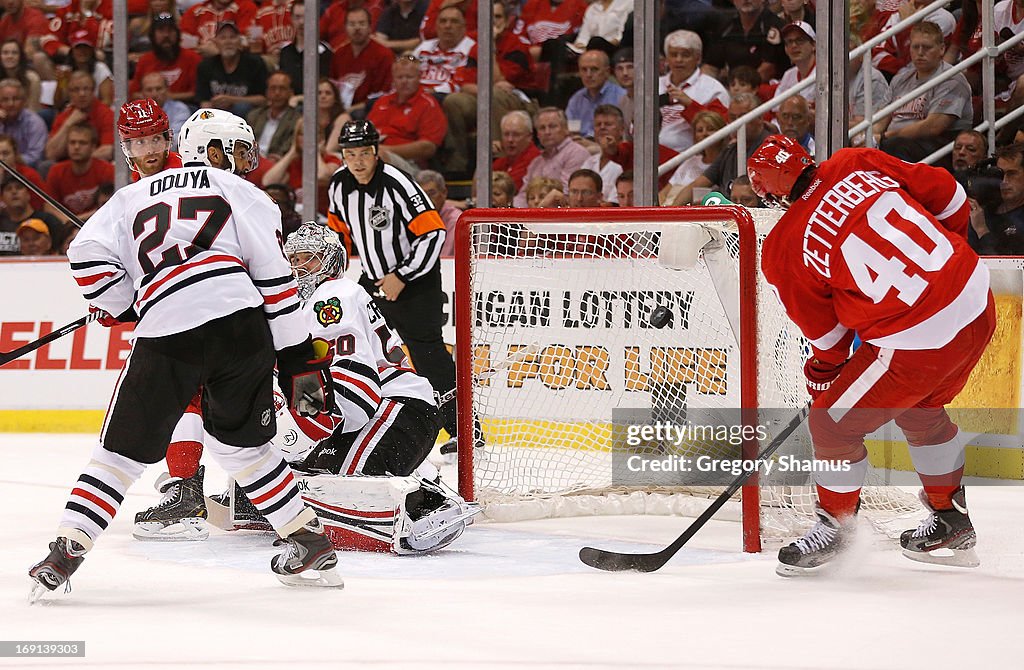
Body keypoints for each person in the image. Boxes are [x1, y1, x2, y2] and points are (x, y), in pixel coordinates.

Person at [28, 108, 342, 600]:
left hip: (169, 330)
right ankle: (307, 538)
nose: (149, 150)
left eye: (155, 139)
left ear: (172, 139)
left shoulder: (125, 199)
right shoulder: (237, 189)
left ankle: (68, 547)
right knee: (244, 450)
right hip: (241, 323)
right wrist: (299, 358)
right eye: (138, 143)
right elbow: (276, 282)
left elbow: (83, 256)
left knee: (118, 455)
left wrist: (125, 301)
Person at [746, 135, 995, 576]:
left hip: (920, 340)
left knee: (830, 423)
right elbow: (952, 196)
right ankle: (951, 521)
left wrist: (822, 374)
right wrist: (944, 270)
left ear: (768, 191)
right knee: (922, 408)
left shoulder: (785, 244)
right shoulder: (855, 160)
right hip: (977, 299)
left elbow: (828, 339)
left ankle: (836, 527)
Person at [268, 221, 477, 553]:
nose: (297, 268)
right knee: (311, 474)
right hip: (383, 414)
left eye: (307, 259)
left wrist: (309, 429)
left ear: (331, 262)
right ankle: (421, 480)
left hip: (397, 409)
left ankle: (426, 504)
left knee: (333, 484)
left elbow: (356, 385)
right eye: (292, 260)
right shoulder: (304, 307)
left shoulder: (333, 294)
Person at [326, 120, 466, 445]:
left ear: (376, 152)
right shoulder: (338, 185)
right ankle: (365, 420)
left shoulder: (397, 183)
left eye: (364, 152)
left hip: (415, 283)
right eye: (351, 153)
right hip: (372, 281)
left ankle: (464, 431)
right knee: (361, 346)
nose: (358, 161)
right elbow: (338, 233)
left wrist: (401, 276)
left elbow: (433, 232)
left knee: (427, 353)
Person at [44, 123, 115, 218]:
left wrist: (78, 219)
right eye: (72, 142)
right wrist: (67, 221)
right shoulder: (56, 171)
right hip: (66, 227)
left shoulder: (107, 170)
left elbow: (111, 206)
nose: (76, 147)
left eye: (82, 143)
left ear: (93, 147)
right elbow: (49, 206)